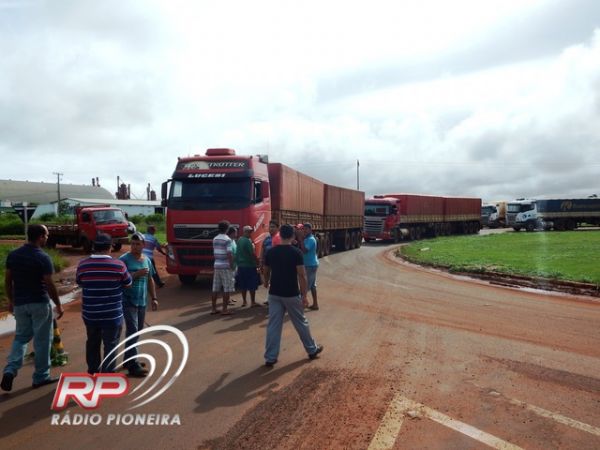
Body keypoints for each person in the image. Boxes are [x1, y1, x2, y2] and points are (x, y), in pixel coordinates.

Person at [1, 224, 64, 392]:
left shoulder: (13, 255)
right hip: (39, 303)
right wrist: (58, 304)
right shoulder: (42, 257)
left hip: (20, 304)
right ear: (41, 237)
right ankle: (41, 377)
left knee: (21, 337)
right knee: (43, 340)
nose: (48, 238)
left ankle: (10, 370)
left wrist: (11, 300)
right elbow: (50, 284)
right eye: (47, 235)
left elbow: (8, 281)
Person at [262, 224, 323, 367]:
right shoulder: (296, 253)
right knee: (301, 322)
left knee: (273, 325)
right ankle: (311, 350)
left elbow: (265, 271)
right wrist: (304, 295)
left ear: (280, 235)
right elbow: (301, 275)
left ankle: (270, 357)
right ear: (292, 236)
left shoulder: (270, 252)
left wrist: (266, 282)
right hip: (291, 293)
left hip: (274, 293)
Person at [76, 233, 132, 374]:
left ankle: (93, 371)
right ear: (110, 247)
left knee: (93, 342)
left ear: (94, 247)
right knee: (111, 344)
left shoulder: (83, 265)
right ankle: (107, 373)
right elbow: (128, 283)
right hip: (112, 315)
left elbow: (80, 282)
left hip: (91, 314)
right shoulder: (119, 265)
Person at [119, 233, 158, 377]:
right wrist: (136, 274)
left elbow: (150, 280)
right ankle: (132, 365)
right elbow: (121, 280)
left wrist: (154, 298)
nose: (134, 247)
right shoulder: (123, 260)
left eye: (137, 244)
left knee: (137, 331)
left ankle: (128, 359)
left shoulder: (146, 260)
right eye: (133, 244)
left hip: (142, 301)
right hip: (128, 301)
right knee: (133, 331)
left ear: (144, 245)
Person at [210, 220, 235, 315]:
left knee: (215, 288)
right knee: (226, 288)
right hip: (225, 266)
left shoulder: (215, 239)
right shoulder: (227, 239)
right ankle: (224, 309)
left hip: (217, 265)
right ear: (227, 229)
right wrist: (232, 265)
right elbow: (229, 253)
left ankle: (213, 308)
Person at [236, 225, 261, 307]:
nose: (251, 233)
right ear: (245, 232)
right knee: (252, 285)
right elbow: (252, 254)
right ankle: (253, 302)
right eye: (250, 232)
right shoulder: (247, 241)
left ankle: (244, 301)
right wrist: (257, 262)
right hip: (249, 265)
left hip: (241, 265)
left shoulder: (239, 240)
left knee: (243, 284)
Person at [260, 220, 280, 306]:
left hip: (277, 264)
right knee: (267, 282)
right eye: (270, 227)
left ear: (277, 228)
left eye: (273, 227)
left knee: (276, 281)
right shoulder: (267, 239)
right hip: (267, 263)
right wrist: (261, 261)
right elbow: (262, 250)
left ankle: (277, 299)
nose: (271, 229)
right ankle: (270, 298)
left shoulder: (279, 238)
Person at [302, 223, 320, 310]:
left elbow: (305, 250)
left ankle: (301, 305)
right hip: (310, 264)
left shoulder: (311, 239)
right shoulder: (307, 239)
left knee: (306, 286)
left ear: (310, 230)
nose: (304, 231)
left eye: (306, 229)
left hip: (310, 265)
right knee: (312, 285)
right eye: (303, 229)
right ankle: (315, 304)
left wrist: (300, 240)